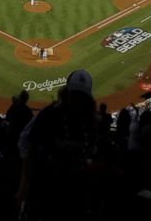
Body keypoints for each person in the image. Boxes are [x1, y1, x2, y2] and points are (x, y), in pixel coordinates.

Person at [19, 70, 98, 220]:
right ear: (67, 92)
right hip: (47, 188)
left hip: (76, 189)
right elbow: (30, 147)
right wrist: (24, 185)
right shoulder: (49, 114)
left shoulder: (90, 121)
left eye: (82, 96)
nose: (77, 100)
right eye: (74, 94)